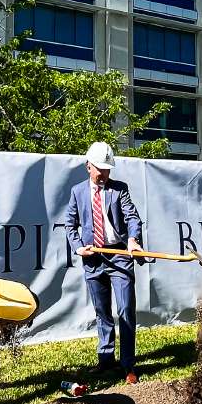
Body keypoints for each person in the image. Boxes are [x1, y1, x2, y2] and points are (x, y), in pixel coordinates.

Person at [65, 142, 145, 384]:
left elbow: (132, 217)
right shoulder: (78, 192)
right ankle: (106, 358)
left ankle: (128, 364)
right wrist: (79, 247)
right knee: (102, 311)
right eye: (99, 168)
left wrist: (132, 240)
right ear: (88, 166)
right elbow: (70, 224)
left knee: (126, 310)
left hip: (119, 255)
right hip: (93, 258)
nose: (103, 173)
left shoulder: (119, 190)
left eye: (107, 169)